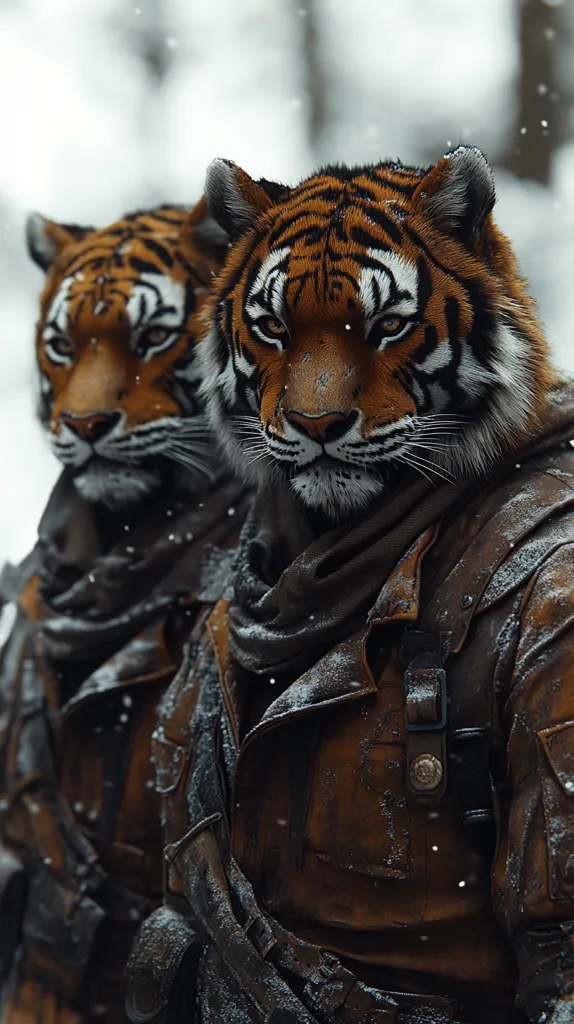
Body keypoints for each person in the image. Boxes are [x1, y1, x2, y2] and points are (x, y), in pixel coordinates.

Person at [127, 147, 574, 1024]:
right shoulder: (246, 572)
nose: (319, 404)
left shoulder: (549, 585)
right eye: (275, 334)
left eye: (387, 327)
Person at [0, 199, 251, 1023]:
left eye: (150, 343)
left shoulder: (291, 575)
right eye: (67, 353)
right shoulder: (49, 576)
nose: (89, 407)